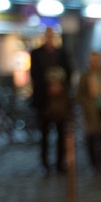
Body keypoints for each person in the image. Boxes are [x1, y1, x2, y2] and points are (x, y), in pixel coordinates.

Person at [29, 27, 73, 175]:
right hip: (44, 101)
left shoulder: (62, 53)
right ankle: (45, 164)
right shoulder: (36, 54)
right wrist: (48, 86)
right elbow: (35, 75)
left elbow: (69, 73)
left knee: (61, 134)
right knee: (45, 134)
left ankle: (61, 163)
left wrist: (60, 86)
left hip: (60, 102)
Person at [75, 52, 101, 175]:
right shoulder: (85, 76)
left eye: (97, 60)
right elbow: (79, 95)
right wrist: (87, 105)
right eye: (93, 60)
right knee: (92, 139)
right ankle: (94, 164)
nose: (95, 63)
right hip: (91, 112)